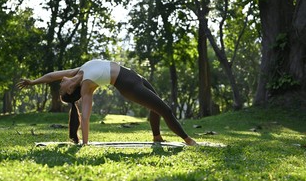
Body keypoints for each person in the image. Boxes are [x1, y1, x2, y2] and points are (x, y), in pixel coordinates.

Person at [17, 59, 197, 146]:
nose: (60, 82)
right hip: (128, 85)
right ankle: (188, 140)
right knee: (164, 109)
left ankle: (157, 137)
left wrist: (33, 82)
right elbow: (85, 118)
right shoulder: (86, 86)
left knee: (157, 107)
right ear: (70, 91)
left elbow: (51, 75)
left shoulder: (78, 71)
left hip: (134, 76)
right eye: (61, 87)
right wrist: (85, 143)